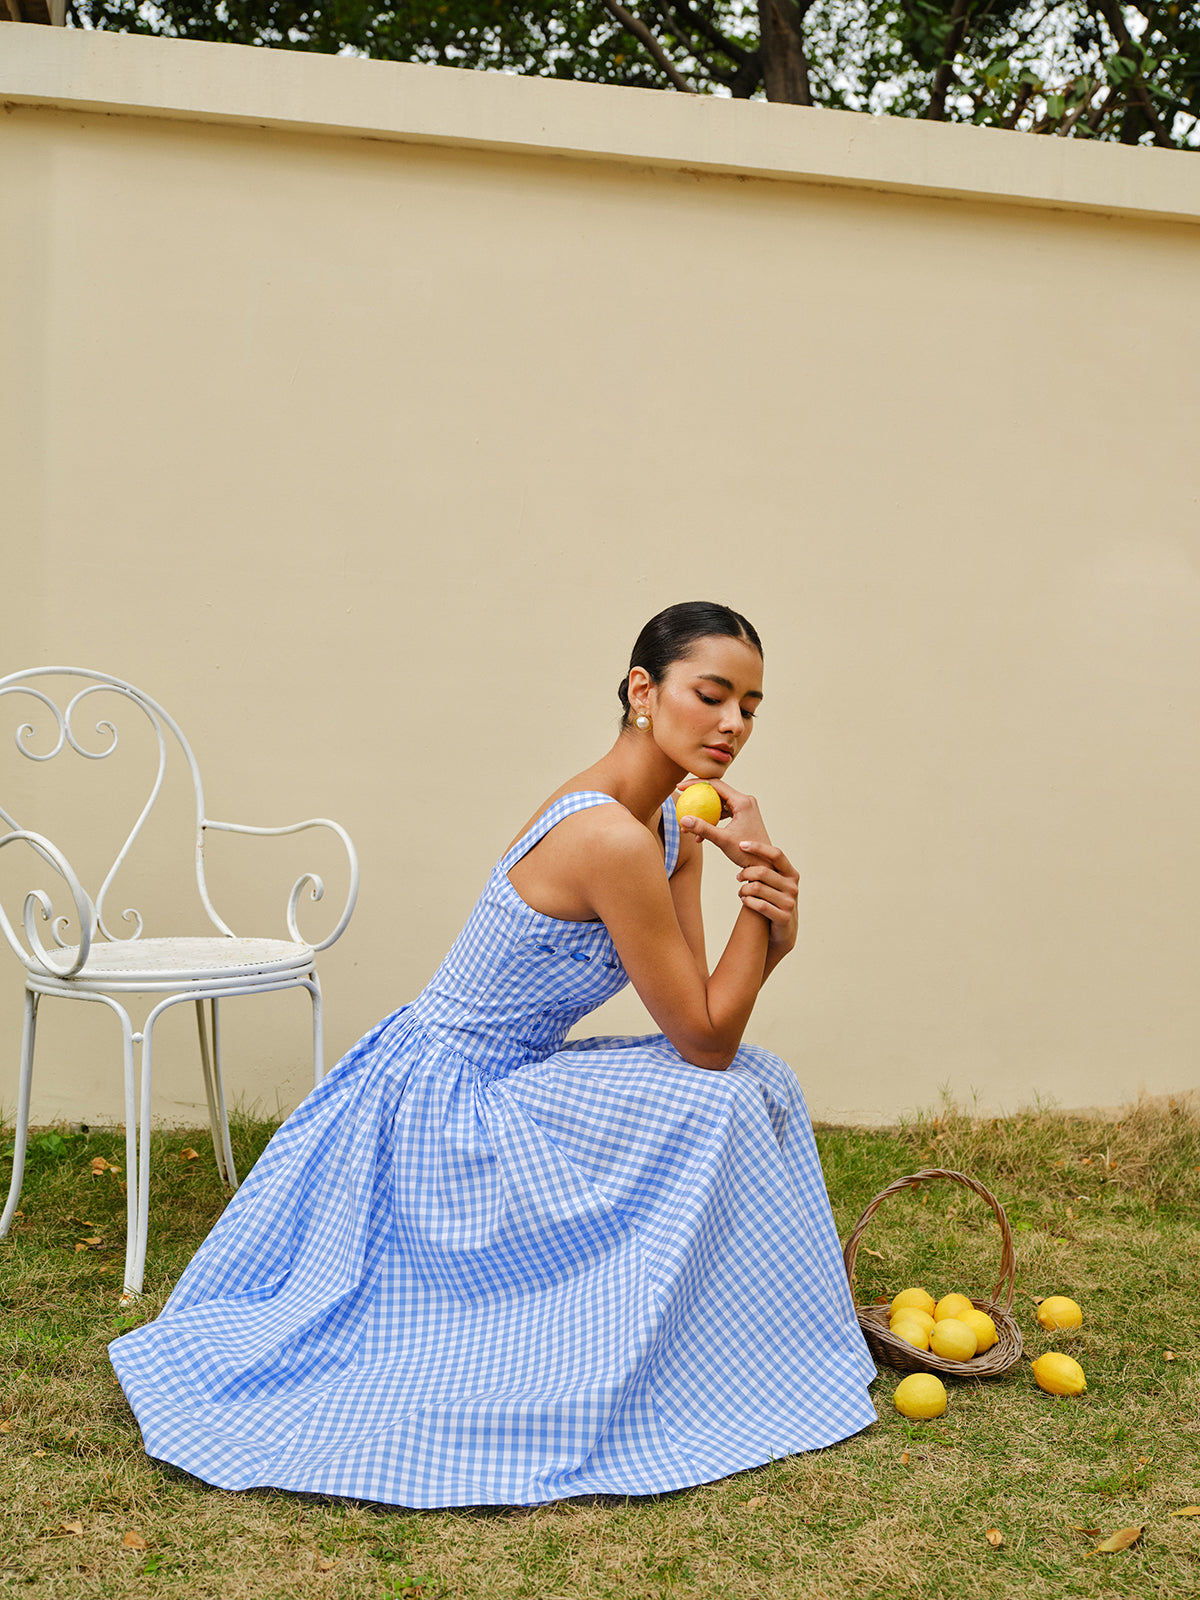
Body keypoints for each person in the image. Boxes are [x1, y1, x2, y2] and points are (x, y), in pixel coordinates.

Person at [109, 601, 877, 1507]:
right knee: (726, 1095)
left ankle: (729, 1339)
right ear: (643, 691)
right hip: (446, 1102)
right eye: (711, 696)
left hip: (514, 1074)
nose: (733, 724)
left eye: (750, 706)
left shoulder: (672, 826)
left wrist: (762, 919)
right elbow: (707, 1041)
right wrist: (767, 911)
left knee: (760, 1080)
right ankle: (657, 1340)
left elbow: (699, 1019)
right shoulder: (608, 836)